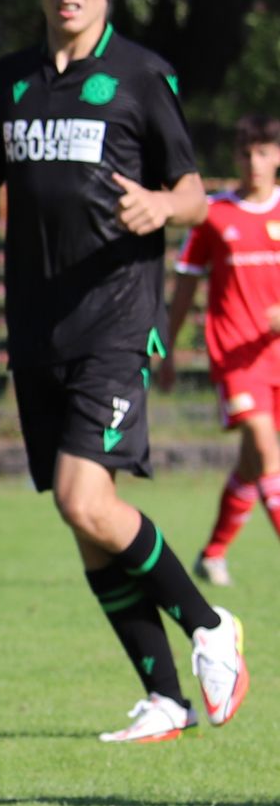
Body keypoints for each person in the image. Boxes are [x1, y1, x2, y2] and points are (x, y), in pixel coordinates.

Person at [0, 0, 247, 743]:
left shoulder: (140, 75)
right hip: (36, 324)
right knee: (83, 515)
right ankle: (165, 699)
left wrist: (157, 207)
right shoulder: (11, 80)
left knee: (82, 495)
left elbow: (195, 192)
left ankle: (211, 624)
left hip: (115, 318)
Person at [162, 115, 280, 591]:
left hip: (274, 356)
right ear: (236, 157)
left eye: (263, 151)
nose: (254, 162)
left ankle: (212, 555)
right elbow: (186, 284)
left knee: (254, 463)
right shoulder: (213, 213)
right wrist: (166, 348)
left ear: (277, 156)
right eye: (246, 153)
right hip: (233, 357)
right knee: (266, 450)